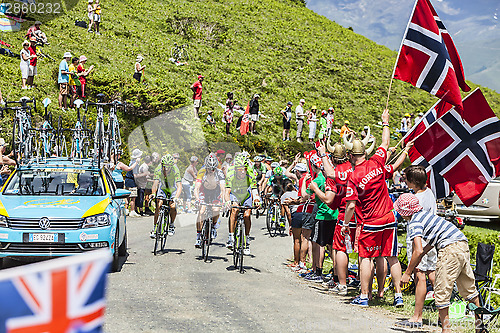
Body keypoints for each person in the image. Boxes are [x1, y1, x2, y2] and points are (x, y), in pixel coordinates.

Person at [342, 109, 411, 307]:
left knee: (366, 257)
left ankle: (364, 296)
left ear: (350, 156)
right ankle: (398, 295)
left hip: (370, 221)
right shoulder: (378, 161)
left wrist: (346, 224)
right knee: (392, 257)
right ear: (365, 152)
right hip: (389, 217)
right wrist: (385, 122)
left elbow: (351, 205)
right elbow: (386, 143)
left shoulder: (353, 177)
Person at [394, 193, 481, 333]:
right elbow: (429, 244)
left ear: (404, 211)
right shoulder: (425, 215)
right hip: (462, 244)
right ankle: (480, 328)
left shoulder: (414, 222)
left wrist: (407, 273)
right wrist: (422, 255)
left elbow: (417, 249)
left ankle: (446, 331)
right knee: (469, 290)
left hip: (449, 249)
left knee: (441, 291)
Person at [395, 165, 437, 329]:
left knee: (420, 276)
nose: (404, 181)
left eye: (406, 179)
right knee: (432, 274)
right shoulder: (429, 192)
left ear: (413, 182)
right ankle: (444, 310)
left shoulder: (416, 199)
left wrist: (408, 272)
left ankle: (417, 317)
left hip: (419, 240)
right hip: (431, 239)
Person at [314, 141, 354, 295]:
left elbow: (329, 199)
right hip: (362, 213)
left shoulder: (334, 173)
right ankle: (368, 291)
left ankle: (341, 283)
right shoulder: (355, 168)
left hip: (344, 214)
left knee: (339, 249)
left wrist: (315, 188)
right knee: (365, 254)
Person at [224, 154, 261, 254]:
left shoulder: (250, 172)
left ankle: (247, 240)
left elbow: (254, 189)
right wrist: (228, 202)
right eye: (239, 169)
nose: (242, 171)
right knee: (234, 210)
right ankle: (231, 237)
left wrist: (257, 200)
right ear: (235, 169)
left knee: (247, 215)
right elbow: (227, 191)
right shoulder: (230, 173)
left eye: (244, 169)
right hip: (235, 194)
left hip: (246, 195)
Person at [194, 154, 225, 248]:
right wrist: (197, 199)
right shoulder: (202, 172)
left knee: (216, 210)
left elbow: (223, 189)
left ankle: (214, 226)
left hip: (215, 191)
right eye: (209, 169)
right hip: (204, 191)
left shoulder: (219, 173)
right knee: (202, 211)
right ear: (206, 167)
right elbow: (196, 188)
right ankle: (199, 236)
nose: (211, 171)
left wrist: (223, 201)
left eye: (213, 169)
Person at [151, 154, 182, 238]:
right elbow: (155, 184)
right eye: (165, 166)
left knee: (172, 206)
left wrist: (176, 197)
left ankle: (171, 224)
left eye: (168, 167)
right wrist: (153, 194)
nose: (166, 169)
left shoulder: (175, 170)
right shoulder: (158, 169)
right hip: (163, 187)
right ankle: (155, 228)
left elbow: (179, 185)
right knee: (159, 204)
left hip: (172, 187)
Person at [281, 181, 302, 268]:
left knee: (296, 240)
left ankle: (296, 262)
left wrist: (290, 225)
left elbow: (288, 213)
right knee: (304, 239)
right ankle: (304, 261)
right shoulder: (297, 193)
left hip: (296, 215)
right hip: (305, 213)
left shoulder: (284, 196)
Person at [125, 149, 142, 217]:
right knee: (133, 197)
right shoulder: (135, 164)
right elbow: (135, 175)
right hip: (132, 181)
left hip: (127, 181)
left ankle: (126, 209)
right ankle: (132, 210)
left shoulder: (131, 162)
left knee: (127, 197)